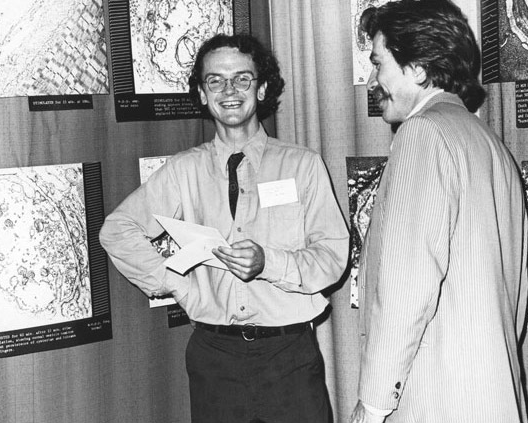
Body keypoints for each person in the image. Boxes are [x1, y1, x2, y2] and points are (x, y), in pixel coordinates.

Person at [100, 34, 349, 423]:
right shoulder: (184, 170)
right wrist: (172, 280)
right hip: (215, 359)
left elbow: (332, 258)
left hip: (290, 359)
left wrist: (269, 262)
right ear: (202, 93)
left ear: (262, 88)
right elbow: (118, 230)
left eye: (242, 79)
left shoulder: (303, 166)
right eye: (215, 80)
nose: (229, 90)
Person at [349, 1, 528, 422]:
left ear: (416, 68)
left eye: (380, 63)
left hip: (437, 397)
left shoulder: (423, 133)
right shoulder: (487, 142)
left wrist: (373, 406)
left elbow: (404, 289)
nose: (375, 79)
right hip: (489, 395)